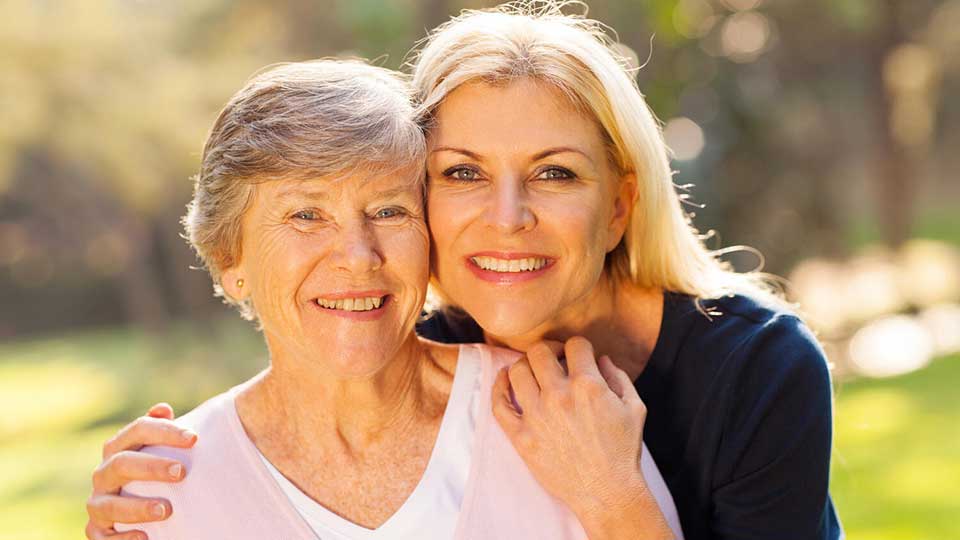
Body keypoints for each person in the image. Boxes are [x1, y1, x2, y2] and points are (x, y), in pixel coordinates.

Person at [87, 2, 842, 539]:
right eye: (461, 173)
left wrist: (612, 495)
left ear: (619, 206)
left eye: (553, 174)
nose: (506, 217)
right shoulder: (428, 340)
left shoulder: (758, 367)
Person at [93, 58, 680, 540]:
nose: (358, 254)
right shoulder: (165, 491)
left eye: (388, 211)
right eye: (305, 215)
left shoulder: (566, 417)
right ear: (230, 260)